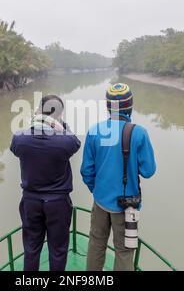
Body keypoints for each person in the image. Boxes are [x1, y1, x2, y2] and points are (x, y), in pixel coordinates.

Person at [80, 83, 156, 271]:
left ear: (108, 106)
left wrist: (97, 190)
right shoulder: (139, 132)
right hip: (127, 205)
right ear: (130, 105)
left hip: (100, 202)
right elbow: (148, 171)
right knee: (124, 250)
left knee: (96, 243)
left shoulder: (94, 131)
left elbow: (86, 171)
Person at [10, 95, 81, 271]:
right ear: (59, 115)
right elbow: (75, 142)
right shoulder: (65, 141)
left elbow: (15, 148)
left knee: (31, 248)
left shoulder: (20, 138)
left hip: (31, 202)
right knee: (58, 250)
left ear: (39, 110)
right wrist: (60, 125)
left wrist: (37, 120)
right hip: (58, 203)